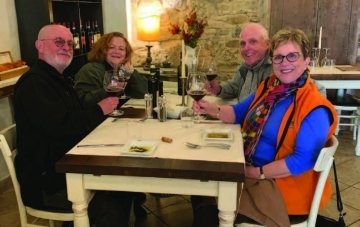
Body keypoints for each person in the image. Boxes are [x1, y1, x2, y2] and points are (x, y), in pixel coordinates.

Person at [192, 27, 338, 226]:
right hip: (254, 171)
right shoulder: (269, 87)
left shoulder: (314, 107)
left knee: (207, 205)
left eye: (292, 56)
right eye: (278, 57)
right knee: (201, 188)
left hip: (281, 188)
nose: (284, 63)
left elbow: (301, 161)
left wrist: (254, 172)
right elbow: (238, 112)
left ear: (306, 60)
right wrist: (210, 108)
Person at [13, 24, 133, 227]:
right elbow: (62, 126)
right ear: (39, 46)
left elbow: (73, 117)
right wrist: (99, 109)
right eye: (59, 42)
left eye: (70, 43)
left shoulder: (58, 79)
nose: (66, 47)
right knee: (113, 203)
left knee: (125, 185)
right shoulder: (34, 83)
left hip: (66, 167)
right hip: (48, 184)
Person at [74, 32, 147, 107]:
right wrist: (113, 87)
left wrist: (131, 72)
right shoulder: (91, 70)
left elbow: (142, 93)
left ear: (126, 53)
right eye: (111, 47)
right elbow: (86, 102)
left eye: (121, 49)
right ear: (102, 50)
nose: (117, 51)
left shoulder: (122, 69)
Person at [206, 23, 272, 102]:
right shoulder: (244, 67)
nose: (246, 48)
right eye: (243, 43)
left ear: (267, 44)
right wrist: (218, 89)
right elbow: (234, 87)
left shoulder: (275, 69)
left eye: (253, 41)